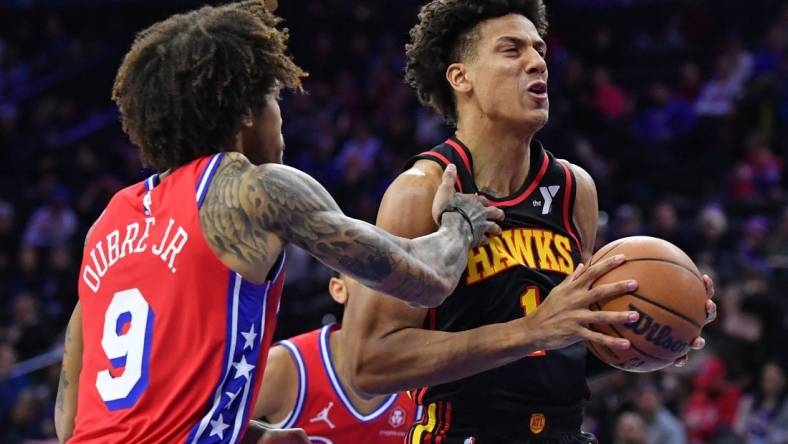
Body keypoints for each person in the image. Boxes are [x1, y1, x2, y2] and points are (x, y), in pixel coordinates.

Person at [52, 2, 504, 443]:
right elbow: (425, 280)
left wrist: (248, 432)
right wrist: (458, 221)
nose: (282, 118)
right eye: (275, 98)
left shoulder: (107, 223)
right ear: (247, 109)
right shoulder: (253, 190)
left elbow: (73, 419)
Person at [340, 1, 716, 443]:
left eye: (538, 49)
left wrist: (645, 332)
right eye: (511, 50)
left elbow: (567, 340)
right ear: (462, 78)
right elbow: (367, 362)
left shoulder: (575, 189)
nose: (538, 61)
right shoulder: (420, 190)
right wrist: (528, 331)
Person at [254, 273, 421, 443]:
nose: (393, 292)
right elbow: (226, 427)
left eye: (406, 282)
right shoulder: (287, 366)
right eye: (375, 279)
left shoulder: (432, 375)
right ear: (339, 290)